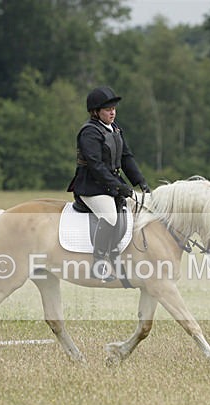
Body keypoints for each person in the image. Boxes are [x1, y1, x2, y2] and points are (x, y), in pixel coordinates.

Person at [67, 86, 150, 281]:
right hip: (91, 187)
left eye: (114, 108)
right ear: (96, 112)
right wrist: (119, 186)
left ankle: (115, 256)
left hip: (109, 185)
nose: (112, 112)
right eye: (107, 109)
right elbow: (96, 166)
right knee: (110, 216)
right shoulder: (89, 132)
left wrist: (140, 181)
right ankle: (98, 263)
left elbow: (126, 157)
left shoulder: (115, 129)